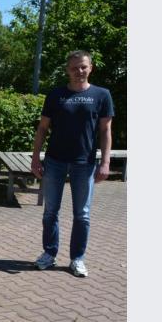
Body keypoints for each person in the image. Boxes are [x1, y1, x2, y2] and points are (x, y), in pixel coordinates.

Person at [31, 50, 114, 278]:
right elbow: (42, 129)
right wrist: (35, 157)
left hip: (84, 163)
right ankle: (49, 253)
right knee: (50, 212)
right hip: (55, 161)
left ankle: (77, 259)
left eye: (83, 67)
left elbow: (106, 130)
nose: (79, 71)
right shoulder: (56, 95)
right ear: (68, 70)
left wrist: (105, 162)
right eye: (74, 67)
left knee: (82, 214)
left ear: (90, 68)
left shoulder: (102, 95)